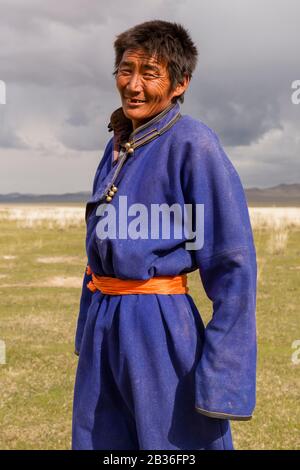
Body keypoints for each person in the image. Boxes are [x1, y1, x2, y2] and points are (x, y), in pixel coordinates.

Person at [72, 20, 257, 450]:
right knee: (103, 442)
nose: (133, 85)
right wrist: (88, 330)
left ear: (179, 83)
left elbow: (233, 264)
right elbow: (97, 247)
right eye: (125, 70)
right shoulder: (119, 142)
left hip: (159, 325)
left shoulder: (194, 143)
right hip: (107, 320)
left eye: (149, 74)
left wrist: (223, 374)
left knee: (171, 450)